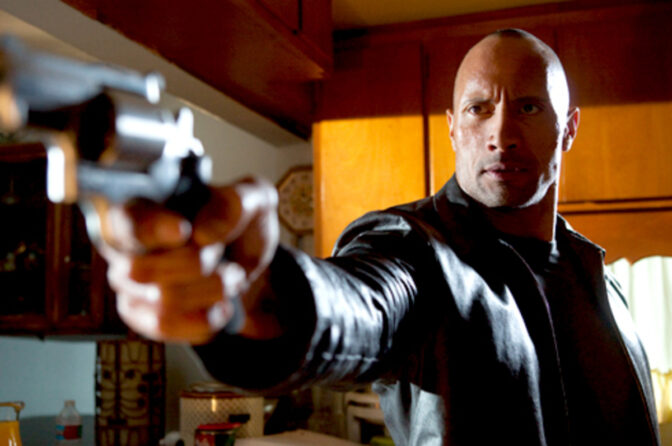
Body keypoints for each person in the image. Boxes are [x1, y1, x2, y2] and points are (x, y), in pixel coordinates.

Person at [99, 29, 660, 445]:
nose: (500, 134)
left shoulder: (600, 279)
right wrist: (261, 295)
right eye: (479, 109)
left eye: (529, 107)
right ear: (453, 128)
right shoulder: (417, 247)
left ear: (569, 127)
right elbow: (361, 301)